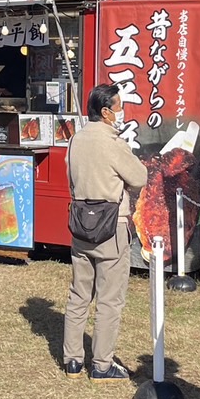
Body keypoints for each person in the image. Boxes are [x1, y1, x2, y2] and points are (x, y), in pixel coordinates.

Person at [62, 83, 147, 383]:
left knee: (79, 294)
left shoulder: (75, 140)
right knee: (110, 299)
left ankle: (72, 360)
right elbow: (139, 177)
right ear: (106, 111)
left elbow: (69, 175)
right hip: (112, 225)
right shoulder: (113, 142)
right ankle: (101, 364)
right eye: (119, 106)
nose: (122, 112)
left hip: (80, 224)